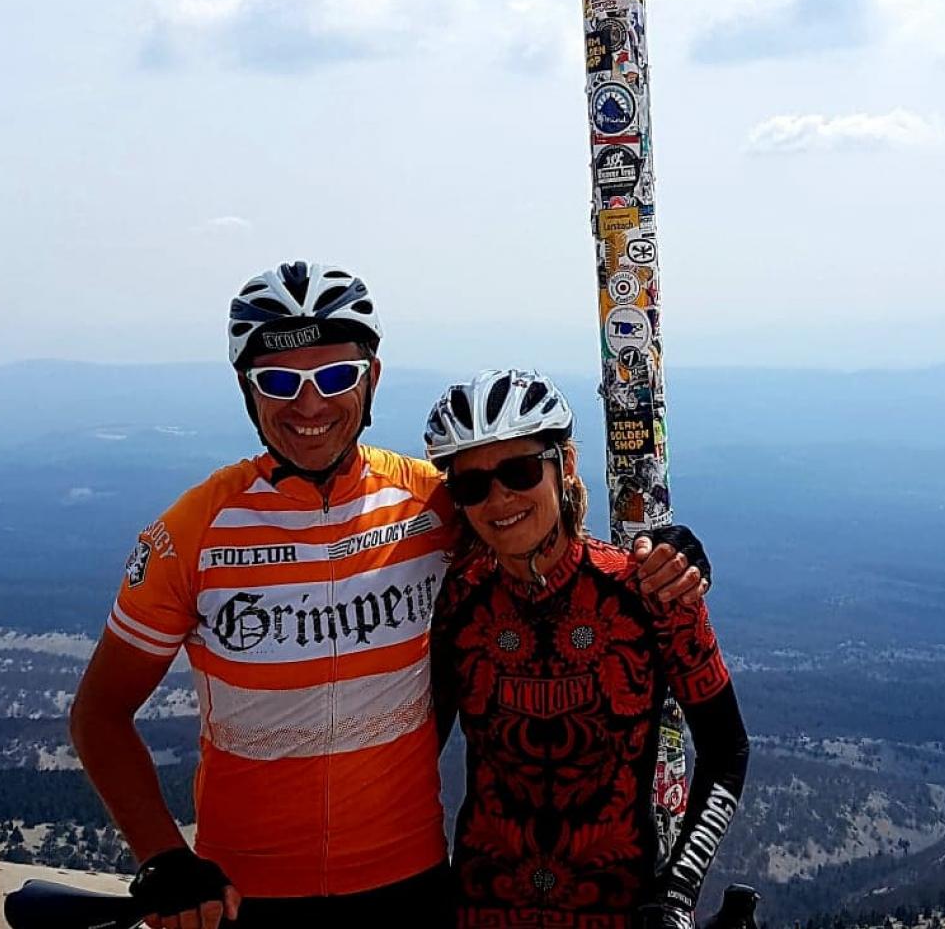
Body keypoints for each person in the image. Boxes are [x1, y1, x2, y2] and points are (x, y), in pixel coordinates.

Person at [67, 262, 708, 929]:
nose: (310, 406)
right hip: (244, 893)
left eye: (337, 377)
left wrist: (668, 555)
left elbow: (534, 528)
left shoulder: (434, 504)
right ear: (246, 390)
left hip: (411, 886)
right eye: (280, 382)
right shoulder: (192, 532)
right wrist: (163, 857)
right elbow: (100, 715)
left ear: (371, 379)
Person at [426, 369, 749, 929]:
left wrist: (678, 891)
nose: (499, 499)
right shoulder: (457, 598)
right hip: (479, 910)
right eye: (472, 486)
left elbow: (727, 752)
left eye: (520, 471)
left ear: (565, 465)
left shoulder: (650, 593)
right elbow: (417, 750)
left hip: (621, 912)